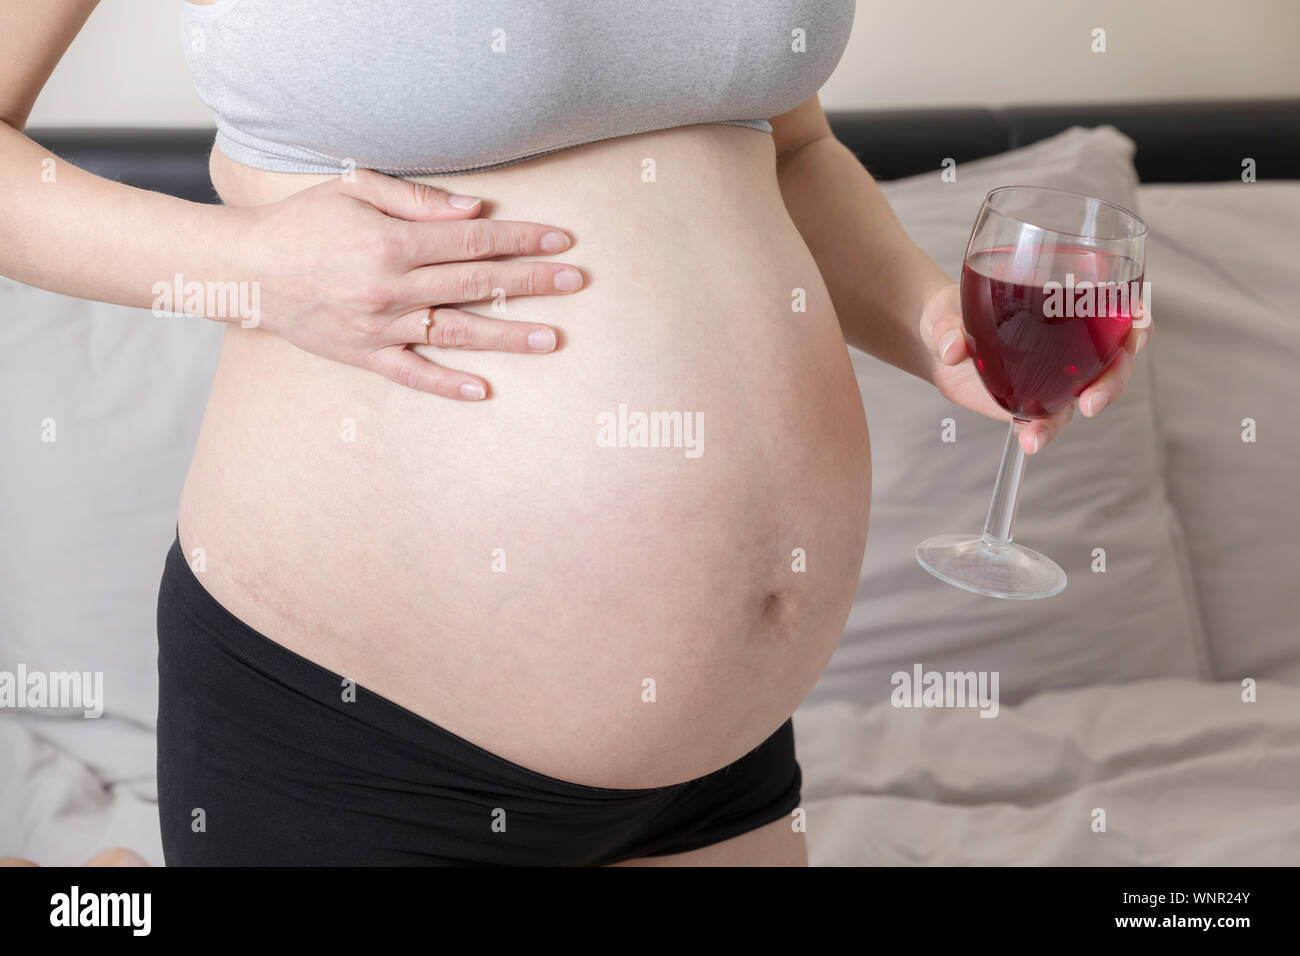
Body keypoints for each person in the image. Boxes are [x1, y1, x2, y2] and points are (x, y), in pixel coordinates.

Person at [0, 0, 1146, 866]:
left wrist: (932, 320)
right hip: (366, 745)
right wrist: (246, 269)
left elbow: (785, 147)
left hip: (719, 767)